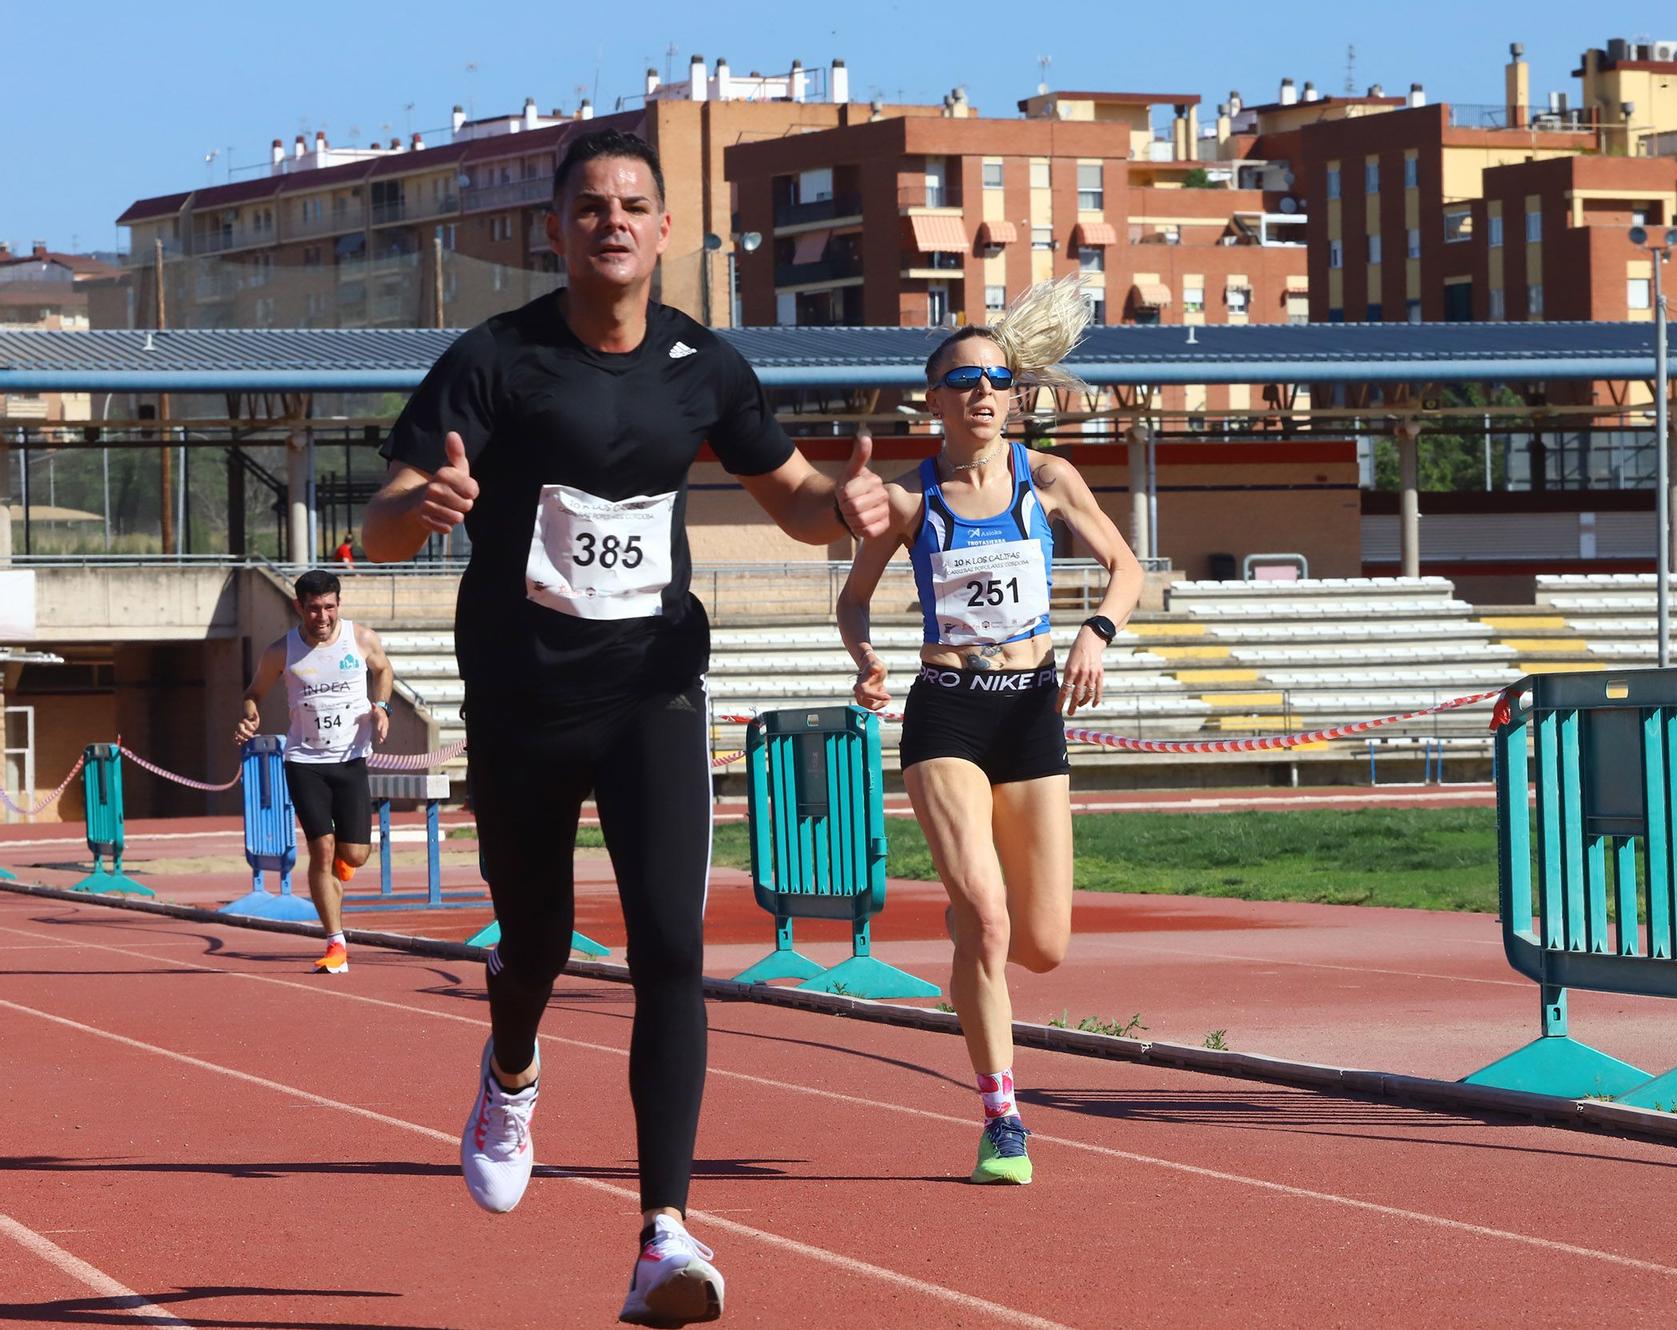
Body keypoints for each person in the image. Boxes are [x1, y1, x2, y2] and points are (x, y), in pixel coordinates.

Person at [361, 127, 889, 1328]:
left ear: (664, 230)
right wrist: (423, 505)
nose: (610, 220)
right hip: (519, 693)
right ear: (555, 230)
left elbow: (795, 495)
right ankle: (509, 1067)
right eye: (587, 205)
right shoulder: (495, 361)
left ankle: (662, 1234)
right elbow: (384, 520)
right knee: (537, 941)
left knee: (668, 950)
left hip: (653, 686)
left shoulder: (704, 366)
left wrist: (845, 506)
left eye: (632, 204)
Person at [836, 277, 1142, 1185]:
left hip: (1033, 709)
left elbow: (1124, 568)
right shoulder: (905, 499)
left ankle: (971, 926)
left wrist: (1097, 632)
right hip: (947, 710)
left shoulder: (1048, 479)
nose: (981, 392)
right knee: (991, 913)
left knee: (1040, 945)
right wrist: (867, 660)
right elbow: (853, 602)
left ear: (1014, 394)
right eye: (963, 379)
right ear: (932, 400)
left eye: (996, 379)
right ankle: (1002, 1116)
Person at [235, 568, 394, 974]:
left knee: (354, 855)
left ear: (338, 605)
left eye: (329, 608)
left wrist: (382, 707)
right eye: (313, 609)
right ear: (298, 608)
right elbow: (254, 693)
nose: (321, 617)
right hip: (304, 761)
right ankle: (335, 943)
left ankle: (343, 867)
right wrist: (249, 716)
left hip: (351, 760)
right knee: (320, 850)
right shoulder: (280, 651)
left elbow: (383, 670)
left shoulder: (360, 639)